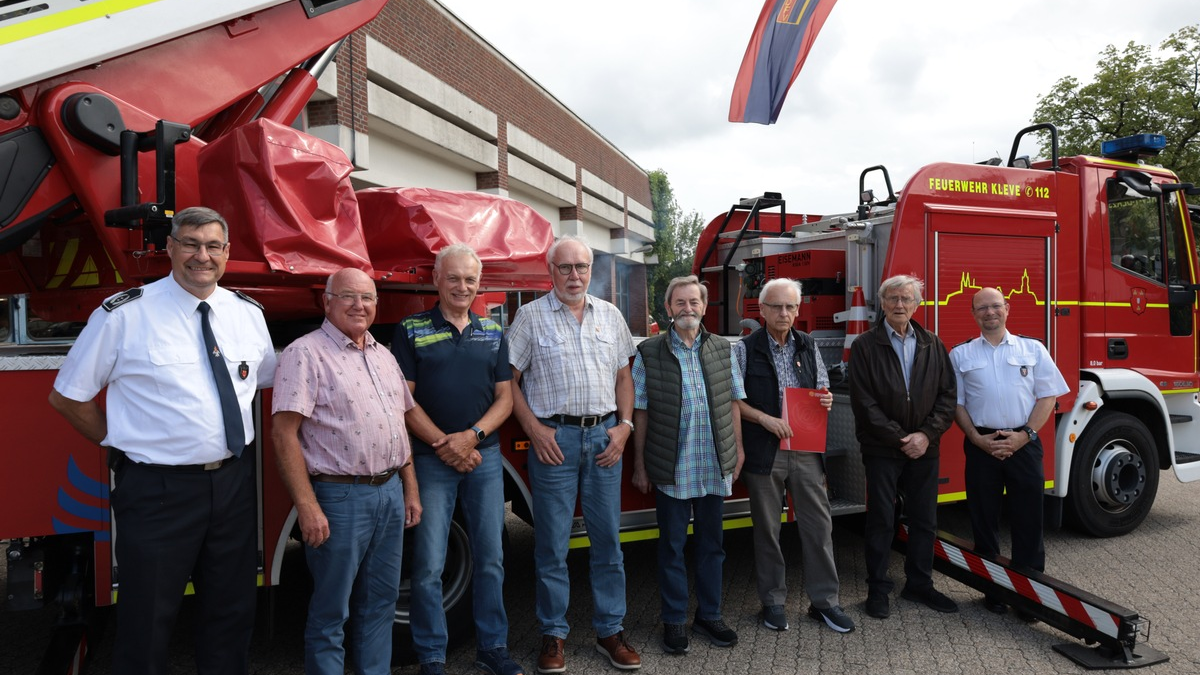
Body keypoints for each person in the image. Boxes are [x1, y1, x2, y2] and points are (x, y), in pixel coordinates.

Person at [48, 206, 277, 675]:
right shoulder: (125, 315)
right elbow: (68, 398)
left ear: (227, 253)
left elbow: (261, 380)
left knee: (231, 613)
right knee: (147, 619)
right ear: (169, 248)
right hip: (157, 491)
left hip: (232, 484)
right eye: (190, 244)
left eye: (213, 246)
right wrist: (120, 443)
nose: (202, 256)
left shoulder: (247, 314)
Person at [272, 268, 421, 675]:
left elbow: (398, 423)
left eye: (368, 297)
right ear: (327, 301)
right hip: (339, 499)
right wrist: (307, 506)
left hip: (389, 492)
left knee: (380, 604)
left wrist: (410, 490)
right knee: (331, 611)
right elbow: (284, 434)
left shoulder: (382, 353)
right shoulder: (304, 354)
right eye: (348, 296)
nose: (359, 305)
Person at [508, 235, 641, 673]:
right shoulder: (529, 318)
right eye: (565, 268)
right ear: (551, 272)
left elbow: (625, 376)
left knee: (608, 543)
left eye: (581, 267)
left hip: (604, 439)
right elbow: (507, 379)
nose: (574, 275)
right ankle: (553, 633)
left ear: (590, 270)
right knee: (551, 546)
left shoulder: (610, 315)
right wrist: (533, 428)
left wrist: (624, 427)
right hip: (556, 444)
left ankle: (610, 631)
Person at [393, 244, 524, 675]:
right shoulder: (410, 329)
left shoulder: (492, 332)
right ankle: (432, 656)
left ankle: (492, 649)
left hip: (482, 459)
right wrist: (444, 445)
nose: (462, 286)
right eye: (453, 278)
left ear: (478, 284)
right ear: (436, 279)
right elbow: (403, 399)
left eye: (470, 279)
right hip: (433, 461)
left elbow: (506, 399)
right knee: (429, 564)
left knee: (491, 558)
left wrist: (471, 438)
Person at [630, 275, 745, 655]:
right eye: (680, 302)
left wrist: (738, 451)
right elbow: (640, 409)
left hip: (713, 464)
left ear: (703, 306)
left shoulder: (722, 350)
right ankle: (675, 619)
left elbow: (733, 402)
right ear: (668, 309)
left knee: (713, 546)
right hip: (672, 468)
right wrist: (641, 464)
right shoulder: (649, 352)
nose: (687, 309)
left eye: (693, 301)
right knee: (672, 548)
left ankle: (709, 615)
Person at [733, 278, 855, 634]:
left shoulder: (808, 344)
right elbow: (734, 401)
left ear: (798, 310)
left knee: (819, 526)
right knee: (768, 531)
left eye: (790, 307)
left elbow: (821, 387)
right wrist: (765, 419)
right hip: (765, 452)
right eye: (776, 306)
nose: (783, 313)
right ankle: (772, 602)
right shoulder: (743, 349)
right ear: (763, 310)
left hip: (804, 449)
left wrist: (826, 399)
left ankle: (825, 602)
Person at [950, 288, 1068, 615]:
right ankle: (993, 590)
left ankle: (1030, 597)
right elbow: (956, 403)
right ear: (973, 314)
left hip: (1024, 442)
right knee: (983, 520)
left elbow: (1048, 397)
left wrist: (1025, 435)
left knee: (1028, 519)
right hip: (981, 445)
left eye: (995, 306)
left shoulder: (1033, 349)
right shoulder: (960, 355)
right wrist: (975, 438)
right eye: (982, 308)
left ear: (1007, 309)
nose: (990, 313)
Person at [848, 274, 957, 620]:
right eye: (893, 299)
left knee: (925, 519)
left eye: (906, 299)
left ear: (917, 305)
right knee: (881, 519)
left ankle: (919, 585)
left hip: (925, 448)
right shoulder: (865, 345)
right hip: (883, 449)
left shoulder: (933, 344)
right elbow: (863, 402)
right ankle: (878, 588)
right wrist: (899, 438)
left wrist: (926, 435)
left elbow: (947, 396)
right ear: (882, 304)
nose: (899, 305)